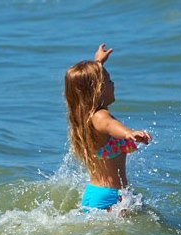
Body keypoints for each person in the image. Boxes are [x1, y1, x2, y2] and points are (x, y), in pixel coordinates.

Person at [64, 44, 152, 211]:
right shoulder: (100, 116)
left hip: (95, 193)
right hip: (112, 197)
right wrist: (129, 133)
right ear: (99, 89)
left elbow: (87, 82)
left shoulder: (84, 118)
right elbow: (110, 125)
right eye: (109, 81)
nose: (113, 84)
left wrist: (98, 62)